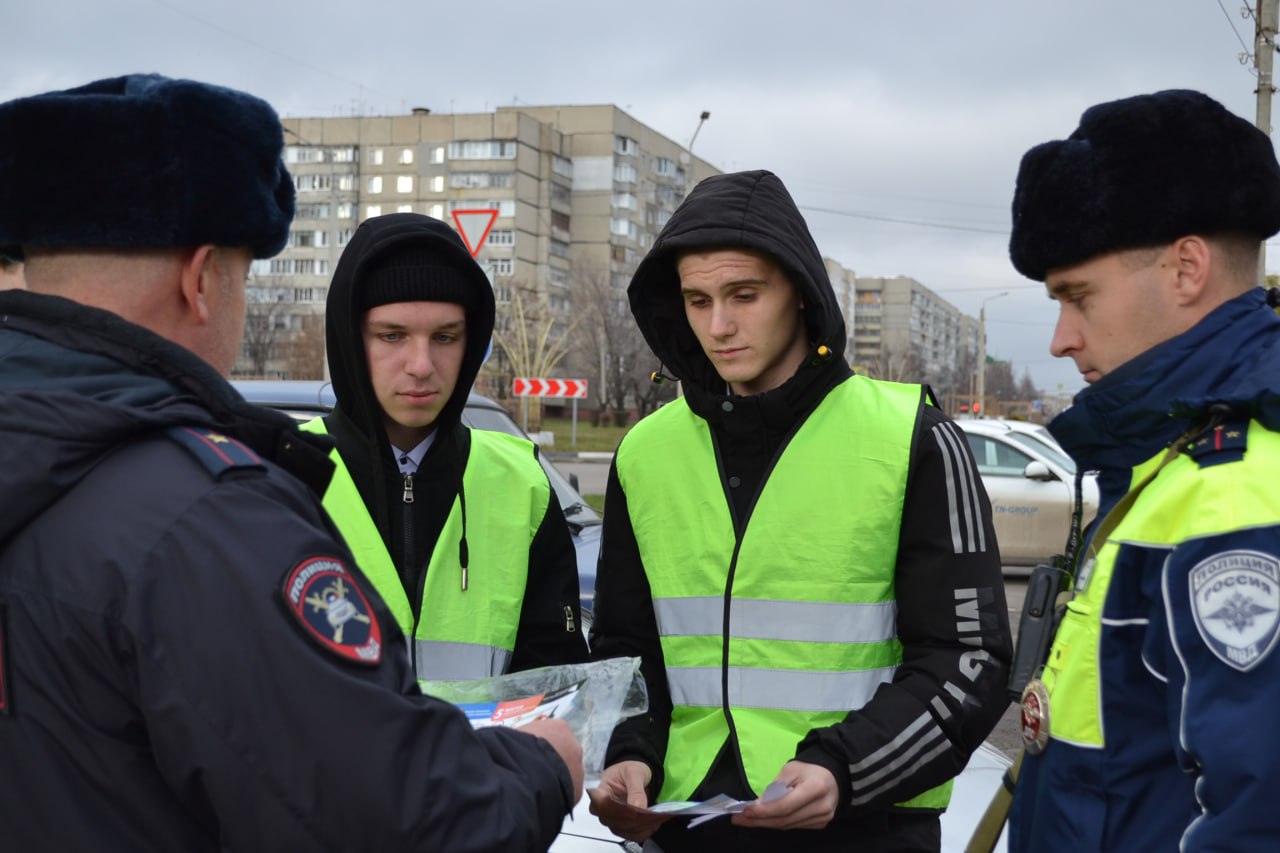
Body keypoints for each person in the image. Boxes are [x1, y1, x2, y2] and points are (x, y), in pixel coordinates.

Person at [0, 73, 581, 852]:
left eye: (445, 337)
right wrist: (543, 767)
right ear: (200, 279)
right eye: (243, 273)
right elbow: (402, 821)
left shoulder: (44, 459)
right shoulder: (206, 517)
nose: (421, 363)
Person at [587, 169, 1013, 852]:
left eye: (744, 295)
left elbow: (970, 661)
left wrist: (844, 768)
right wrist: (629, 751)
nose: (718, 326)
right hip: (685, 831)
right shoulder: (644, 452)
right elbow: (624, 649)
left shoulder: (912, 437)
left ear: (801, 292)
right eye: (697, 300)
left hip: (863, 831)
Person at [1005, 89, 1280, 850]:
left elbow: (1255, 820)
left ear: (1187, 268)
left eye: (1078, 297)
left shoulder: (1236, 489)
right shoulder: (1174, 457)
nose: (1060, 338)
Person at [301, 212, 588, 684]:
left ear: (470, 344)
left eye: (445, 337)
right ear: (351, 339)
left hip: (483, 738)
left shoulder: (521, 483)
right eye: (392, 335)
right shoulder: (286, 475)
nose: (421, 365)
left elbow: (554, 679)